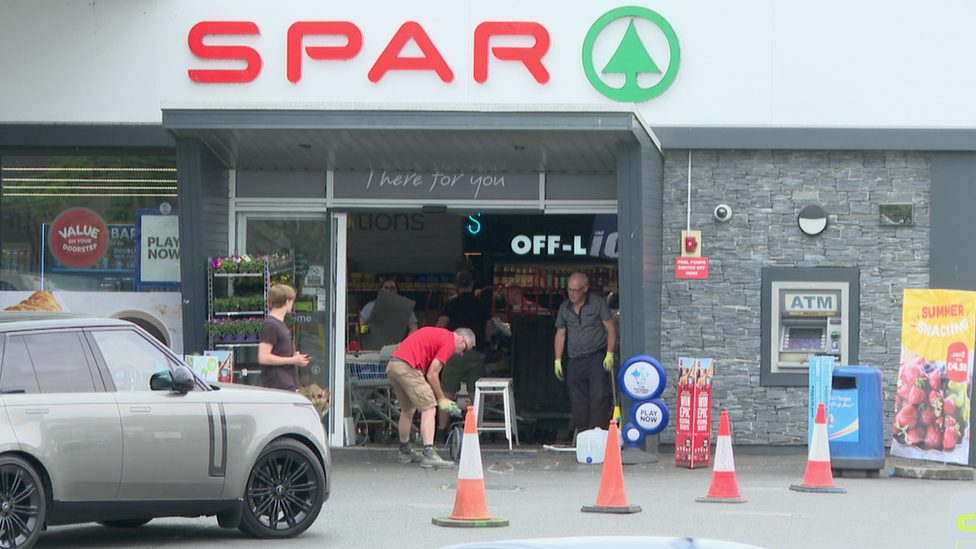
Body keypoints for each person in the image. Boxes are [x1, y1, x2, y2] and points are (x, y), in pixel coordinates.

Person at [386, 326, 475, 469]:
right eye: (465, 349)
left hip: (394, 365)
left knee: (408, 409)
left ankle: (405, 450)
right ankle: (428, 453)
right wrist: (441, 400)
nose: (462, 354)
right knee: (429, 408)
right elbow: (432, 374)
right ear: (461, 340)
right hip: (408, 367)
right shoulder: (448, 342)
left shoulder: (438, 334)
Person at [553, 272, 617, 432]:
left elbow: (611, 329)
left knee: (599, 398)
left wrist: (609, 353)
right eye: (569, 290)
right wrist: (557, 359)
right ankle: (583, 434)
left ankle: (598, 434)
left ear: (585, 289)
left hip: (596, 357)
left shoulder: (597, 303)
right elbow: (560, 334)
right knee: (577, 401)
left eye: (576, 290)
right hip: (574, 359)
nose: (572, 294)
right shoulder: (564, 307)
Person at [435, 271, 493, 440]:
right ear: (472, 284)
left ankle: (441, 429)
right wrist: (486, 343)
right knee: (475, 392)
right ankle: (476, 429)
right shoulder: (481, 304)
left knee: (447, 392)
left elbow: (440, 326)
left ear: (456, 285)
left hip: (453, 353)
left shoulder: (451, 304)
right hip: (475, 352)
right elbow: (489, 328)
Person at [258, 284, 310, 391]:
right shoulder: (271, 325)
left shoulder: (278, 323)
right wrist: (292, 360)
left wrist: (294, 357)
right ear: (287, 301)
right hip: (278, 384)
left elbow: (278, 351)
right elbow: (263, 357)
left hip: (284, 382)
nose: (292, 305)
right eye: (292, 301)